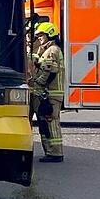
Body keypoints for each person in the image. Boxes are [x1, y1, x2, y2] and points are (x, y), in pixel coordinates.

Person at [28, 22, 64, 163]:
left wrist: (38, 82)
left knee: (51, 123)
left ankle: (55, 153)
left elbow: (50, 71)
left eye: (41, 35)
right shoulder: (46, 50)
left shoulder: (52, 50)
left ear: (50, 34)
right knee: (45, 124)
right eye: (38, 35)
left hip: (51, 94)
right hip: (48, 94)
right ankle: (51, 152)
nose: (39, 38)